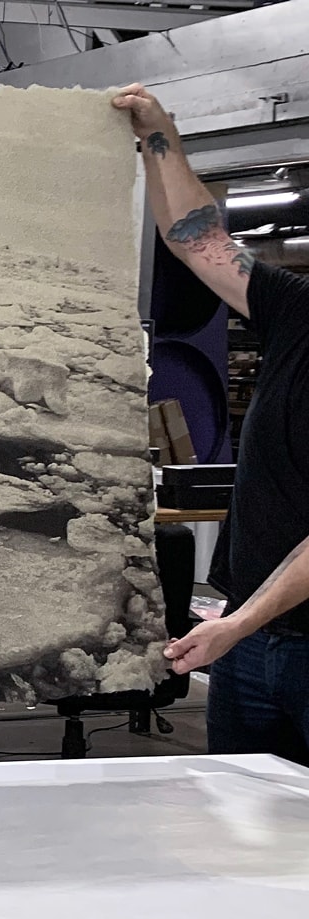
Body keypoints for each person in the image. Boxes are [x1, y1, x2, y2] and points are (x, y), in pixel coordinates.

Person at [112, 84, 309, 764]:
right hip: (254, 637)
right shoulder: (297, 310)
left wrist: (241, 622)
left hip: (269, 630)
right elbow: (196, 236)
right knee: (243, 827)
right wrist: (159, 136)